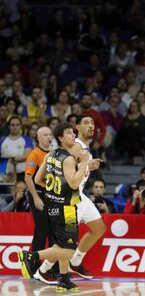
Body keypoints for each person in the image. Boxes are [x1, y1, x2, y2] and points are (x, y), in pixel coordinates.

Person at [20, 122, 89, 291]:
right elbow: (73, 183)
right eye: (69, 133)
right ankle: (32, 256)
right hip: (67, 208)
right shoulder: (68, 159)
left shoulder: (50, 155)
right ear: (60, 138)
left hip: (53, 206)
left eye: (73, 133)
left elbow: (37, 179)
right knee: (69, 251)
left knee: (60, 245)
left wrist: (54, 190)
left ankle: (64, 279)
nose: (73, 135)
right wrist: (85, 162)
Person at [35, 114, 105, 281]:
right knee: (65, 243)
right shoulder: (75, 147)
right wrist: (57, 190)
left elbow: (74, 169)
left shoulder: (83, 148)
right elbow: (65, 172)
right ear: (77, 128)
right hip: (71, 197)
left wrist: (88, 166)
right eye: (86, 123)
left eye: (92, 123)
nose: (90, 126)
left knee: (99, 228)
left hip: (80, 195)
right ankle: (43, 270)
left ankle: (76, 260)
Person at [24, 126, 54, 279]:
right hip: (38, 194)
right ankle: (34, 266)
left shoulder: (54, 154)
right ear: (38, 137)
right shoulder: (34, 154)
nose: (49, 137)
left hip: (51, 195)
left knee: (52, 231)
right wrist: (35, 198)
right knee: (41, 229)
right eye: (45, 135)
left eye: (50, 134)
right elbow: (28, 178)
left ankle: (49, 267)